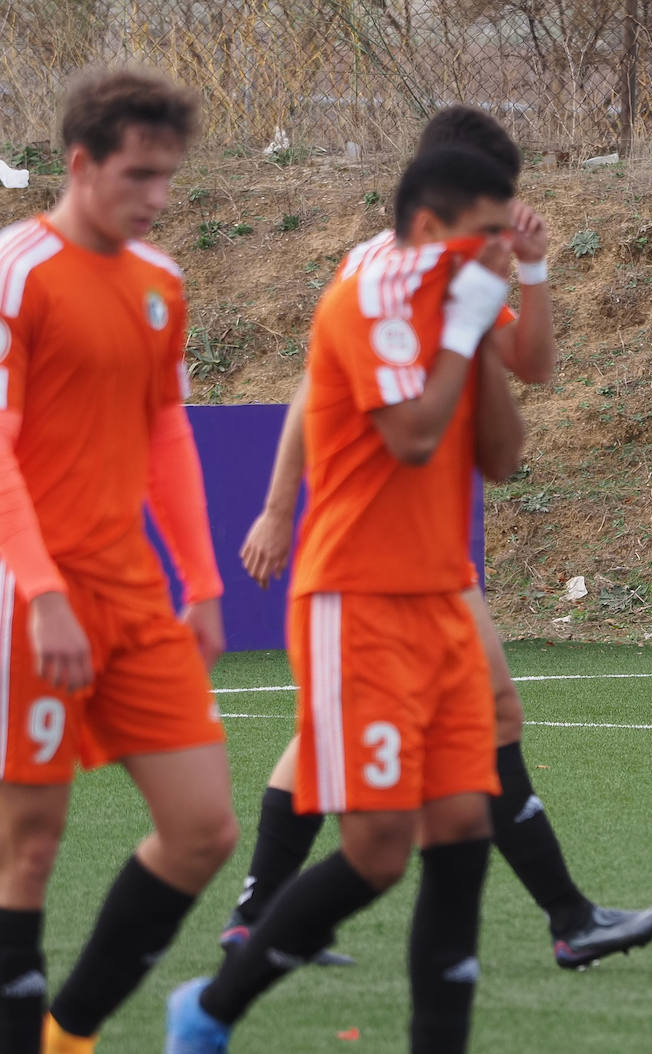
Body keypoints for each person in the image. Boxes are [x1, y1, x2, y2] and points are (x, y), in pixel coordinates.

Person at [223, 107, 652, 971]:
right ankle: (562, 916)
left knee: (398, 738)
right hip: (372, 557)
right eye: (487, 208)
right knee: (386, 797)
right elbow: (318, 396)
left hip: (430, 551)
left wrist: (530, 273)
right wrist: (280, 508)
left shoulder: (467, 265)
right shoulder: (379, 273)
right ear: (438, 196)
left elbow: (527, 368)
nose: (496, 226)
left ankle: (261, 919)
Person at [166, 146, 518, 1053]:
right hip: (355, 597)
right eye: (487, 226)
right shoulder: (368, 297)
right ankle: (209, 1012)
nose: (498, 244)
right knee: (376, 852)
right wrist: (467, 327)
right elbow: (409, 435)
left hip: (439, 594)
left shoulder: (456, 307)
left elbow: (504, 456)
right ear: (434, 225)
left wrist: (494, 318)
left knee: (462, 829)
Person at [0, 69, 238, 1054]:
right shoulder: (20, 269)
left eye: (168, 177)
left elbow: (165, 432)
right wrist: (44, 589)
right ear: (82, 163)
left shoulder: (160, 283)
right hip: (28, 593)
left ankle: (68, 1034)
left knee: (202, 828)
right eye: (139, 175)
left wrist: (204, 578)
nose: (157, 196)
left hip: (134, 596)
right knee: (29, 846)